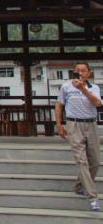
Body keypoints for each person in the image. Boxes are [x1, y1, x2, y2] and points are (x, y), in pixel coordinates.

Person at [55, 62, 101, 212]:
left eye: (83, 71)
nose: (80, 73)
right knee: (82, 161)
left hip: (91, 124)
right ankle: (92, 198)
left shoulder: (94, 88)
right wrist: (59, 125)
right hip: (74, 125)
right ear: (73, 72)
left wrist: (83, 89)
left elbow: (97, 103)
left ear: (89, 73)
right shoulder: (66, 87)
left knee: (95, 161)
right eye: (77, 70)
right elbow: (59, 105)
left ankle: (79, 186)